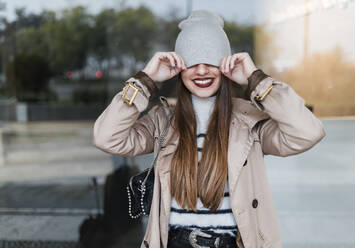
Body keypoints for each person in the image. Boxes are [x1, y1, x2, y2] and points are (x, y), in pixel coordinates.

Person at [93, 10, 326, 248]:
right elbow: (106, 138)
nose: (202, 70)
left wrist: (256, 79)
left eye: (211, 61)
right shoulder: (162, 121)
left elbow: (308, 132)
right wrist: (145, 80)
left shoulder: (249, 122)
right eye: (192, 61)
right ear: (179, 67)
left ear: (224, 65)